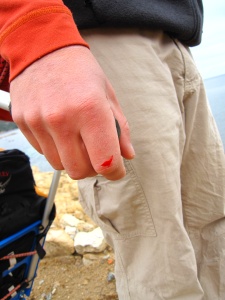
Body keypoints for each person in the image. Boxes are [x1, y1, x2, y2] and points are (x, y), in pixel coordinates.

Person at [0, 1, 225, 299]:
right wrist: (34, 32)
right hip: (92, 41)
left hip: (176, 36)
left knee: (211, 225)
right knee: (157, 252)